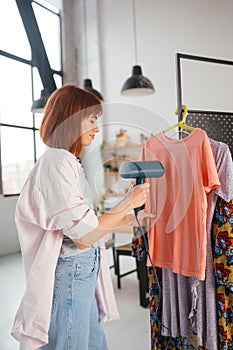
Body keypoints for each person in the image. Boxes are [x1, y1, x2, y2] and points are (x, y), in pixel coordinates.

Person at [11, 84, 150, 350]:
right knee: (72, 343)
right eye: (92, 120)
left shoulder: (69, 161)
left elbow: (90, 225)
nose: (97, 128)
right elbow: (85, 236)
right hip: (73, 268)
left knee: (91, 341)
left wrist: (130, 218)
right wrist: (127, 202)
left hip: (83, 265)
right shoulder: (57, 162)